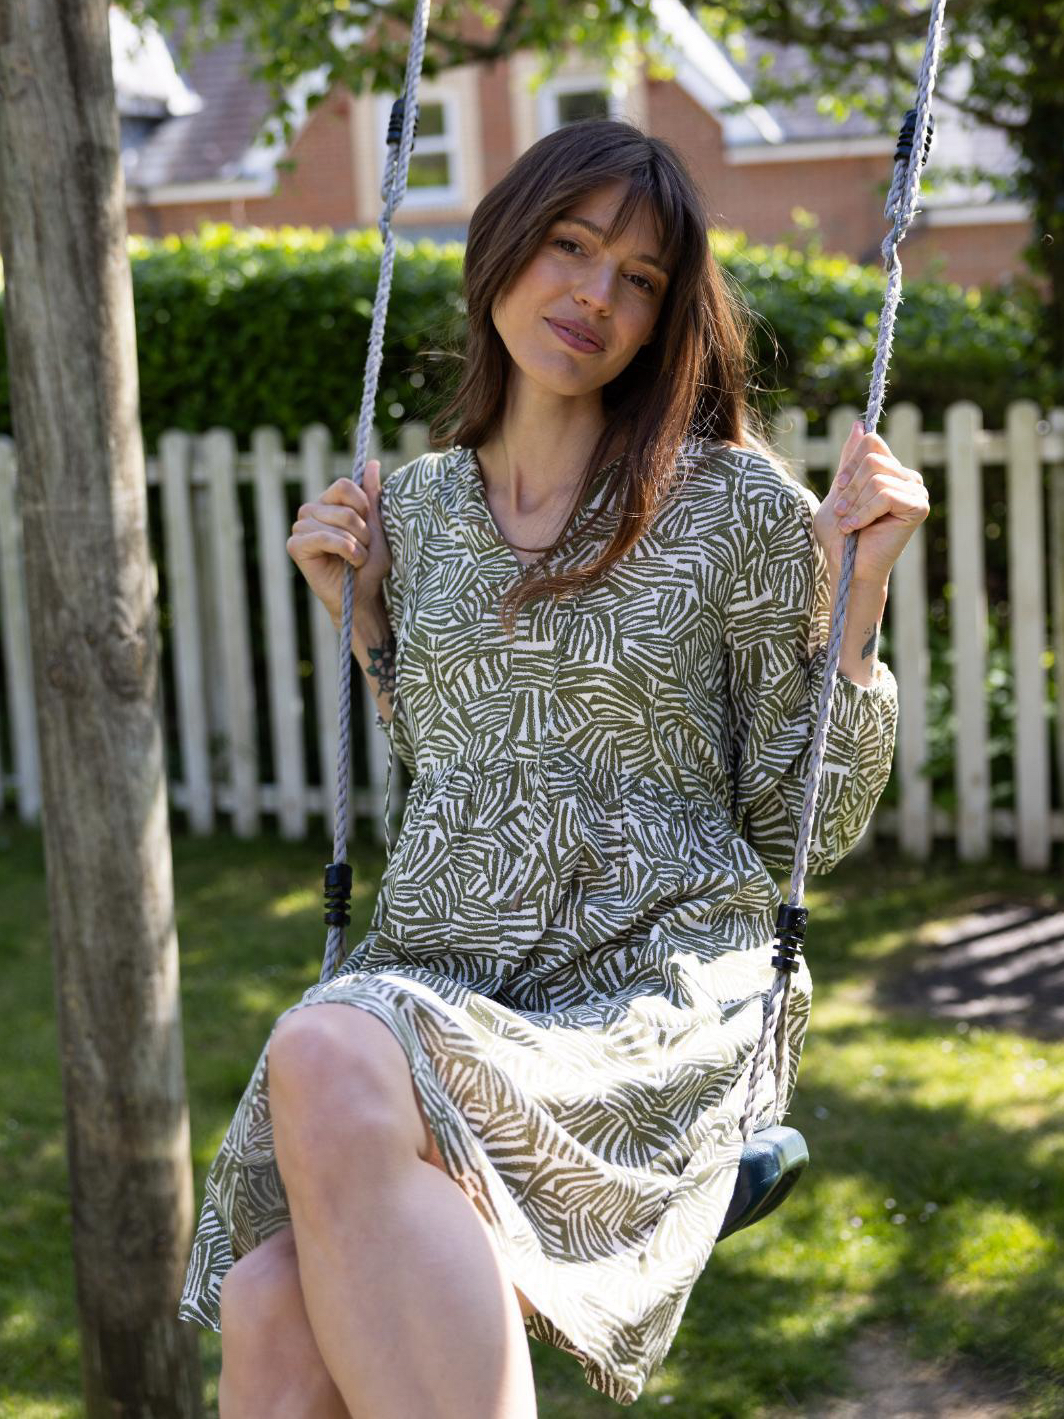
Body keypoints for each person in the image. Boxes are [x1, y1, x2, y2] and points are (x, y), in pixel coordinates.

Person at [178, 118, 928, 1416]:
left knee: (325, 1051)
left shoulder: (736, 507)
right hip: (450, 964)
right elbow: (456, 764)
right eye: (571, 246)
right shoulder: (414, 511)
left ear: (663, 318)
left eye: (639, 278)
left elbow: (802, 823)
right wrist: (365, 623)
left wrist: (854, 613)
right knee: (268, 1304)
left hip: (645, 983)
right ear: (502, 251)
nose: (595, 295)